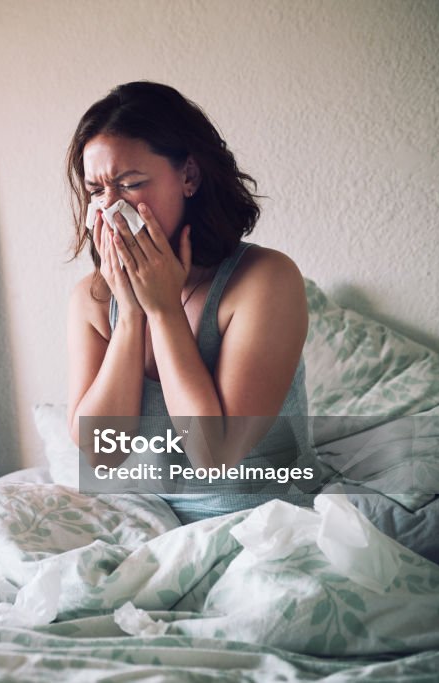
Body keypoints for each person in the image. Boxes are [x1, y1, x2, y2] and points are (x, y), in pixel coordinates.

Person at [65, 81, 317, 523]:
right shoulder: (93, 297)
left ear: (189, 176)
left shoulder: (264, 281)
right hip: (141, 522)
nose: (109, 209)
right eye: (96, 191)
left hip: (254, 520)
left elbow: (213, 452)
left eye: (130, 184)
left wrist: (162, 310)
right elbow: (101, 454)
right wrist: (131, 315)